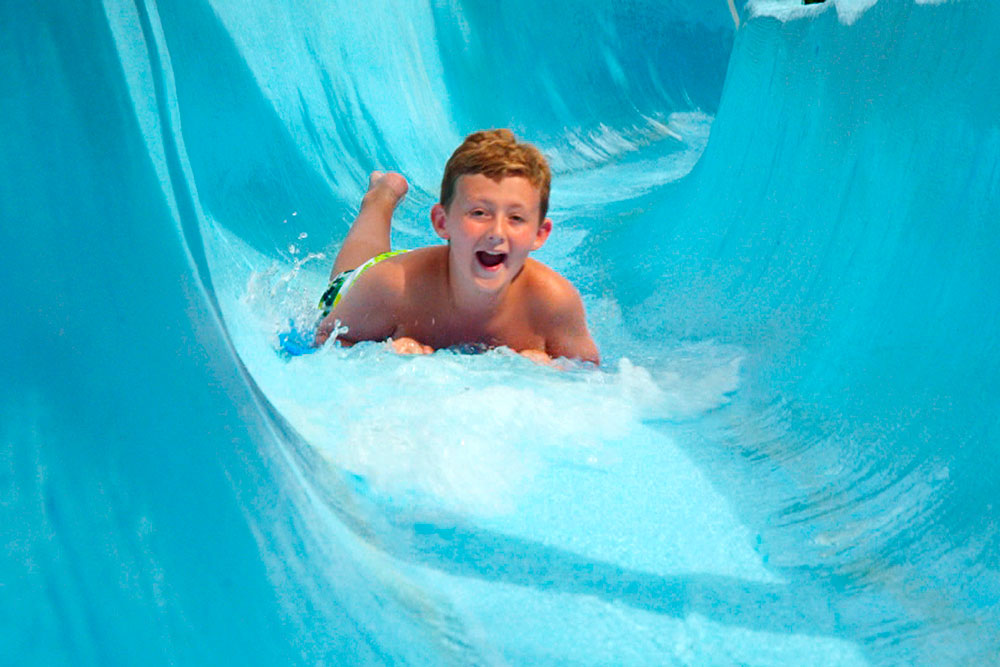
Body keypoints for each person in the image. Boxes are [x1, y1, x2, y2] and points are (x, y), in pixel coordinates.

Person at [313, 129, 600, 365]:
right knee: (354, 271)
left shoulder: (554, 303)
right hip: (384, 279)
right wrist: (378, 357)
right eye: (479, 213)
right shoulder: (391, 286)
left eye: (516, 218)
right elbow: (325, 339)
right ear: (442, 221)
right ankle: (382, 195)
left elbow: (592, 379)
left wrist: (554, 372)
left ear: (540, 233)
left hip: (436, 263)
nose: (496, 232)